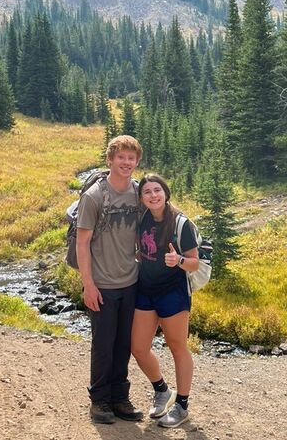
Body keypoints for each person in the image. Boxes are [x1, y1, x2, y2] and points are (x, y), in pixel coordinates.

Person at [76, 135, 144, 424]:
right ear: (110, 160)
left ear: (136, 162)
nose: (126, 163)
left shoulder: (138, 192)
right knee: (103, 344)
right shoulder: (93, 196)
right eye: (121, 157)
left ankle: (119, 397)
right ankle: (99, 401)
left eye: (131, 158)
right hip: (102, 284)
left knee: (123, 344)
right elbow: (82, 243)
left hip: (131, 281)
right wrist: (88, 285)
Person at [131, 173, 199, 429]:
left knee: (177, 346)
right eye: (147, 192)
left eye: (157, 190)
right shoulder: (142, 219)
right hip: (146, 290)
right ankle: (162, 390)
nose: (153, 195)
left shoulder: (182, 224)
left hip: (173, 292)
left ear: (166, 193)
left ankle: (182, 405)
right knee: (137, 347)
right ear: (142, 198)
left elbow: (195, 263)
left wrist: (178, 260)